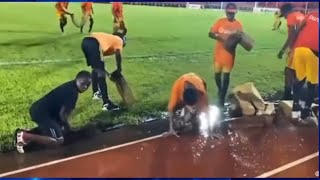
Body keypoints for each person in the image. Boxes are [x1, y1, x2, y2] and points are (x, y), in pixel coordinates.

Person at [14, 71, 92, 153]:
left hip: (41, 111)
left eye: (87, 85)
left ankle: (27, 133)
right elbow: (63, 115)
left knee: (57, 128)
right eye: (82, 83)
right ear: (77, 79)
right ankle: (25, 136)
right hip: (41, 113)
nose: (85, 87)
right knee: (58, 140)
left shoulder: (71, 86)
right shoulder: (73, 93)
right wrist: (68, 127)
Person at [81, 29, 127, 111]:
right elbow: (118, 55)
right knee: (101, 75)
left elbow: (98, 67)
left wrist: (108, 74)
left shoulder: (110, 39)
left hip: (85, 42)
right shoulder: (118, 40)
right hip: (94, 43)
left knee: (96, 69)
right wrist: (119, 69)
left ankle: (96, 93)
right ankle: (106, 103)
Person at [208, 3, 243, 109]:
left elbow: (240, 39)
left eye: (232, 13)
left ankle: (222, 98)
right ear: (226, 12)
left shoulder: (238, 25)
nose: (230, 15)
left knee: (226, 76)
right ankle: (220, 90)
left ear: (235, 12)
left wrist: (235, 41)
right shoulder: (220, 22)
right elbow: (210, 33)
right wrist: (219, 37)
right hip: (218, 54)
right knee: (217, 74)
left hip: (229, 55)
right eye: (228, 13)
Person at [287, 11, 319, 124]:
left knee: (299, 79)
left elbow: (297, 30)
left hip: (299, 50)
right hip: (314, 53)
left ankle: (295, 108)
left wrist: (291, 48)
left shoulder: (311, 14)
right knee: (312, 84)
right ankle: (305, 113)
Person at [162, 73, 209, 137]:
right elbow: (170, 109)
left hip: (197, 81)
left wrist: (211, 131)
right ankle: (191, 118)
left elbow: (206, 109)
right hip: (183, 86)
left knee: (196, 119)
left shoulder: (201, 90)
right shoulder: (176, 92)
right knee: (178, 126)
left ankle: (194, 118)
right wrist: (171, 129)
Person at [277, 3, 305, 100]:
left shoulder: (291, 17)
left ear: (286, 11)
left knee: (288, 71)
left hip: (297, 48)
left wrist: (283, 50)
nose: (284, 18)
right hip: (307, 49)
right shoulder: (301, 16)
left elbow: (292, 35)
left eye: (284, 15)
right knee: (298, 72)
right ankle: (297, 95)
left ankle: (287, 95)